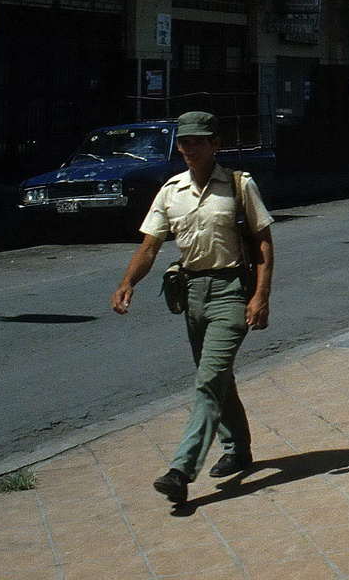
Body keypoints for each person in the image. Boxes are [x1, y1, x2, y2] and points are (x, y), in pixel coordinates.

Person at [110, 111, 274, 504]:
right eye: (183, 141)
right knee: (216, 377)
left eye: (198, 141)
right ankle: (238, 449)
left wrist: (261, 296)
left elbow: (264, 244)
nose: (189, 148)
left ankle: (181, 469)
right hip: (191, 293)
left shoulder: (238, 185)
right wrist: (128, 282)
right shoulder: (171, 191)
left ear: (215, 143)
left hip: (232, 290)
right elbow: (150, 246)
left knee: (207, 381)